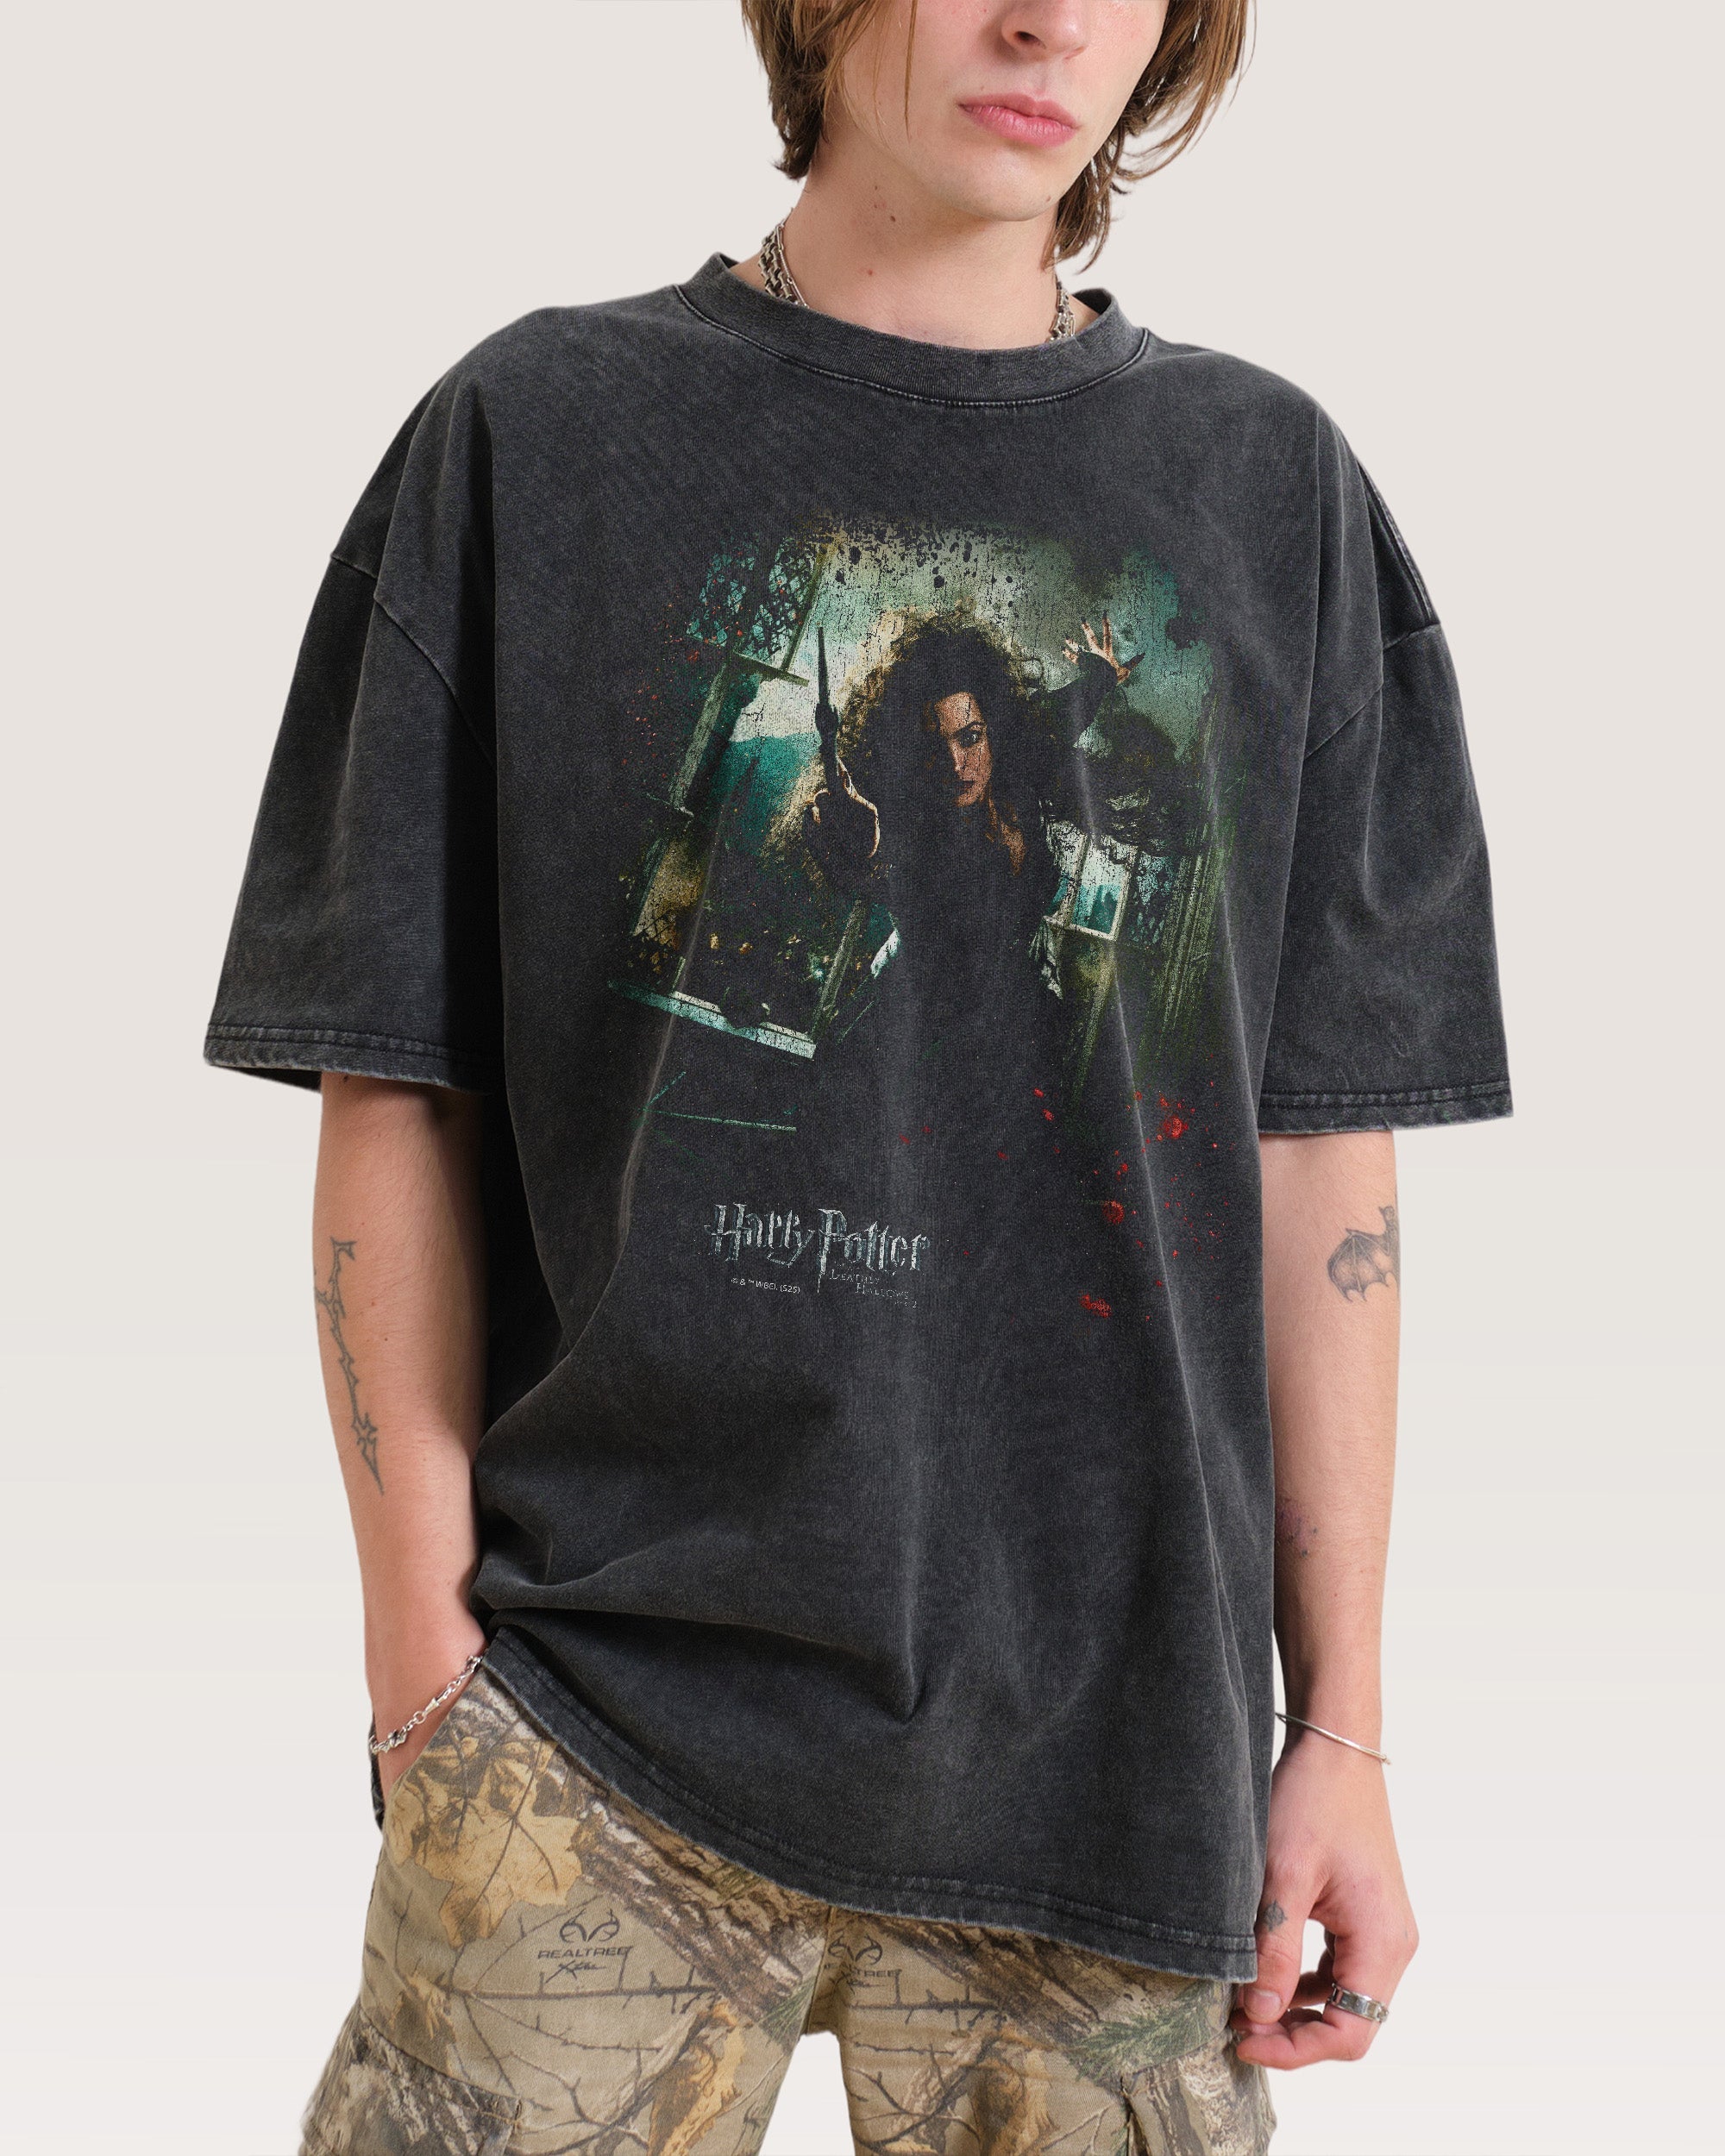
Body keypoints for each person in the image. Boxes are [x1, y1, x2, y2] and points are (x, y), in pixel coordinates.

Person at [204, 1, 1511, 2149]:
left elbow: (1317, 1163)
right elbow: (393, 1083)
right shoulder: (537, 433)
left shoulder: (1267, 489)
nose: (1046, 18)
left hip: (1112, 1761)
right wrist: (420, 1670)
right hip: (593, 1727)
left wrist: (1341, 1728)